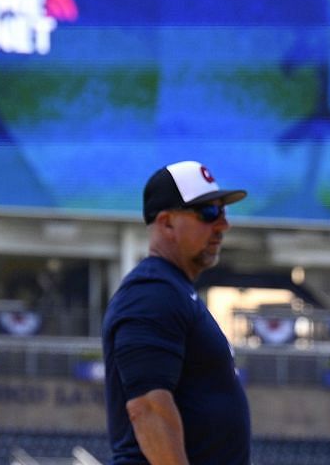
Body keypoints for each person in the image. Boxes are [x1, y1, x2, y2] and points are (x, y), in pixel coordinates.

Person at [102, 161, 251, 465]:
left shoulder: (175, 290)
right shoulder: (151, 292)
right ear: (167, 223)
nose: (223, 225)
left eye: (223, 212)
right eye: (208, 213)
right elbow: (147, 409)